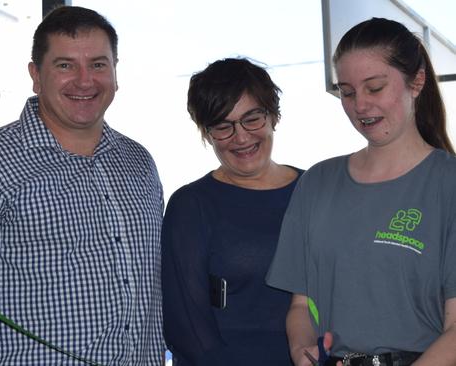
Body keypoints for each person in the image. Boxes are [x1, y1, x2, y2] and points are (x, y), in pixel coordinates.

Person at [0, 6, 165, 365]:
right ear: (36, 75)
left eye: (99, 64)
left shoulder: (138, 162)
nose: (85, 81)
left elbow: (151, 299)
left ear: (116, 72)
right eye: (65, 65)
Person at [266, 17, 456, 366]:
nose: (360, 106)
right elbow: (300, 305)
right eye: (347, 92)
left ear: (417, 81)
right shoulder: (317, 183)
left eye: (374, 87)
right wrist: (302, 347)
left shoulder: (448, 185)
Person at [161, 58, 300, 365]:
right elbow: (186, 327)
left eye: (252, 118)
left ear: (273, 116)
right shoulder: (191, 205)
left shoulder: (314, 190)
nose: (241, 137)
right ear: (206, 132)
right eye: (223, 126)